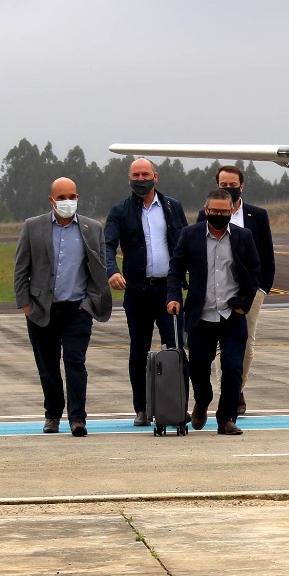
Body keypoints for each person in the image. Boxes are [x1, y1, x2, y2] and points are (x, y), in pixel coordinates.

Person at [14, 177, 113, 436]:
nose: (67, 202)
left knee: (75, 363)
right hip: (41, 310)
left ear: (78, 197)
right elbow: (21, 269)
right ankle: (53, 415)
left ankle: (77, 418)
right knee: (48, 368)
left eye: (72, 196)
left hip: (77, 310)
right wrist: (26, 305)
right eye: (61, 197)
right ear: (51, 200)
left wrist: (89, 303)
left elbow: (99, 271)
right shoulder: (32, 227)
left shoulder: (92, 228)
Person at [167, 189, 261, 436]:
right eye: (214, 211)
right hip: (201, 314)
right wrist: (174, 297)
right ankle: (203, 399)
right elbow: (176, 268)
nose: (219, 215)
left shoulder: (243, 236)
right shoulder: (190, 235)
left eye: (224, 211)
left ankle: (226, 418)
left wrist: (243, 303)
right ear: (206, 211)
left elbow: (254, 272)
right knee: (198, 367)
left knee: (232, 368)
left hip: (231, 314)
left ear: (232, 211)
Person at [104, 158, 189, 426]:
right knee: (138, 351)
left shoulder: (172, 207)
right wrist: (112, 270)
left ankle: (179, 406)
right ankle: (141, 408)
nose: (141, 179)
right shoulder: (119, 211)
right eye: (136, 175)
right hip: (137, 292)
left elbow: (186, 243)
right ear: (129, 179)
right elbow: (107, 245)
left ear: (156, 176)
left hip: (168, 291)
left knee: (175, 350)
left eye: (145, 174)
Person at [196, 165, 275, 416]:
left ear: (241, 186)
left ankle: (238, 388)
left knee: (246, 344)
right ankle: (227, 393)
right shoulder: (204, 215)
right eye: (223, 184)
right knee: (218, 347)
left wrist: (261, 288)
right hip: (215, 292)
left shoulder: (257, 216)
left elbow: (267, 256)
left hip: (249, 292)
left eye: (232, 184)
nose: (228, 188)